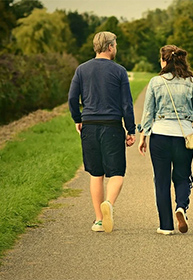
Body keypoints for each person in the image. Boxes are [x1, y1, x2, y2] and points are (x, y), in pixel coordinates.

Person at [138, 45, 193, 235]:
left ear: (164, 61)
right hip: (186, 136)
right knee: (183, 176)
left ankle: (166, 226)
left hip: (160, 135)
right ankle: (181, 207)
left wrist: (143, 136)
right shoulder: (192, 82)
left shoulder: (155, 82)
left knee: (161, 181)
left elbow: (148, 112)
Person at [68, 31, 136, 233]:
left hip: (89, 124)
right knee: (116, 173)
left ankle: (98, 219)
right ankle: (109, 203)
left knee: (96, 174)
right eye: (115, 45)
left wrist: (77, 119)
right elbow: (126, 104)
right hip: (111, 126)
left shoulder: (81, 70)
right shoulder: (119, 71)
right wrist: (130, 129)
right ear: (109, 47)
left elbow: (72, 98)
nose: (115, 49)